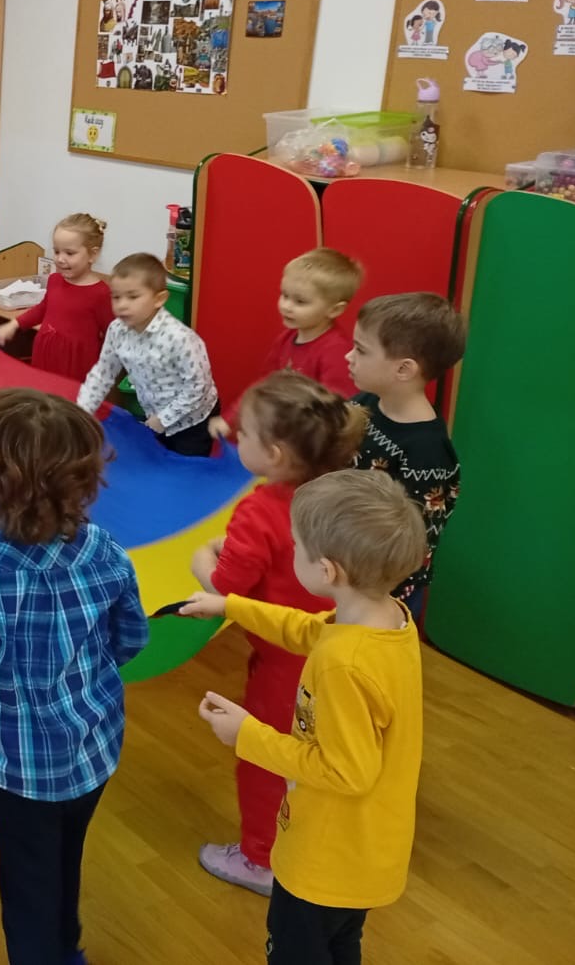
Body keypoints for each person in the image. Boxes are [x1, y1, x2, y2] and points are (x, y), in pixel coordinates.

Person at [0, 389, 148, 965]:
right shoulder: (106, 551)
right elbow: (131, 639)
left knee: (28, 884)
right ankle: (65, 948)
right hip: (94, 749)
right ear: (84, 478)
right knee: (65, 859)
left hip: (18, 765)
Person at [181, 470, 427, 965]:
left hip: (324, 861)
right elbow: (305, 629)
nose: (291, 551)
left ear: (328, 571)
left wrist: (246, 735)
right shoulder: (388, 621)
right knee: (340, 946)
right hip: (364, 853)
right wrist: (231, 606)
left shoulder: (344, 664)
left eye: (295, 546)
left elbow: (345, 770)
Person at [189, 372, 369, 896]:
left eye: (243, 433)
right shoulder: (343, 491)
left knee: (265, 757)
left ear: (273, 453)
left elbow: (228, 588)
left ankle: (261, 859)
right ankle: (323, 845)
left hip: (286, 661)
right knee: (324, 754)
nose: (236, 438)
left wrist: (203, 556)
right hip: (348, 644)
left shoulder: (260, 509)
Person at [347, 293, 464, 621]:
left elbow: (413, 542)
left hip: (382, 591)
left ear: (403, 369)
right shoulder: (366, 401)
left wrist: (375, 594)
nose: (349, 356)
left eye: (361, 350)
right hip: (347, 565)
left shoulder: (427, 453)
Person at [210, 247, 362, 439]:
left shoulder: (336, 352)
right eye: (284, 295)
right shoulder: (287, 338)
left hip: (305, 441)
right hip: (280, 431)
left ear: (334, 310)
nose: (286, 306)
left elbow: (337, 413)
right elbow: (265, 385)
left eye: (300, 302)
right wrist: (232, 418)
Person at [76, 252, 219, 455]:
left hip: (193, 420)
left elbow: (198, 387)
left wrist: (163, 419)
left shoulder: (179, 338)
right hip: (154, 413)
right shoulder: (116, 330)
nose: (122, 304)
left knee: (187, 467)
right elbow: (103, 373)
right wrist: (82, 410)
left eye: (133, 296)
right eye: (116, 297)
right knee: (157, 459)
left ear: (159, 299)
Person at [0, 213, 113, 381]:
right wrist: (14, 324)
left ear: (93, 255)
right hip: (46, 352)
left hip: (76, 364)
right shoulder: (54, 280)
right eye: (57, 251)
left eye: (69, 253)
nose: (60, 259)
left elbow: (112, 333)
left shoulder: (101, 293)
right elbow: (43, 309)